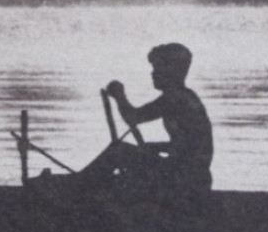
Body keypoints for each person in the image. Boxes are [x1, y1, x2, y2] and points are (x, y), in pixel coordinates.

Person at [72, 42, 212, 208]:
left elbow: (133, 117)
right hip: (190, 175)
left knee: (119, 151)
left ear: (171, 71)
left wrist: (119, 96)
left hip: (184, 179)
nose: (153, 74)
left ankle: (75, 188)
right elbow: (187, 144)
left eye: (157, 68)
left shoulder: (175, 99)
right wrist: (155, 147)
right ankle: (81, 185)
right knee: (125, 163)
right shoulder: (185, 97)